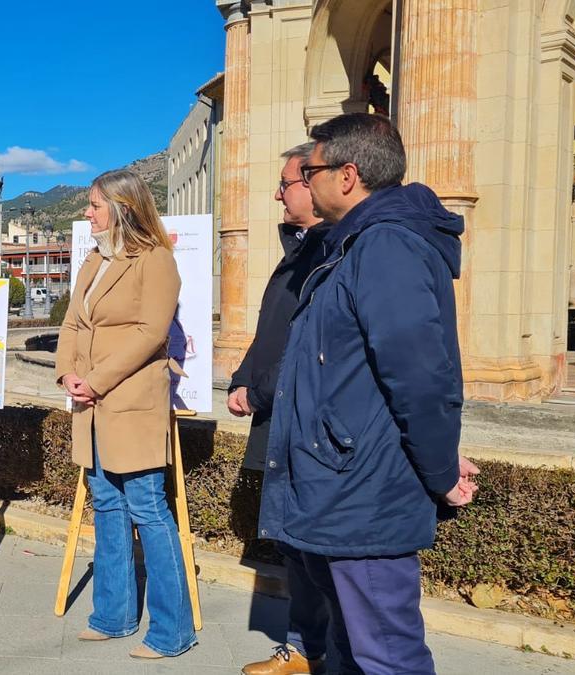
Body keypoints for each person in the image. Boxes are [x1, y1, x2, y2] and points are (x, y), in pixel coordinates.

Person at [260, 112, 480, 675]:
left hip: (364, 498)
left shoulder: (384, 247)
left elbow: (420, 377)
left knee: (386, 656)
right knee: (353, 651)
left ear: (348, 175)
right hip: (341, 490)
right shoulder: (351, 244)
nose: (302, 183)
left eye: (309, 170)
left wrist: (439, 472)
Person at [54, 168, 196, 660]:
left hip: (130, 401)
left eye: (94, 205)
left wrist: (94, 380)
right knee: (108, 508)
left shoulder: (156, 261)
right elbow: (72, 322)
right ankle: (112, 617)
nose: (86, 213)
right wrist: (68, 374)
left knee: (149, 510)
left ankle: (172, 630)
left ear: (123, 208)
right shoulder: (93, 262)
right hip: (90, 407)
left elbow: (151, 333)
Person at [230, 144, 353, 675]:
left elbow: (311, 349)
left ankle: (325, 651)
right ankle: (305, 649)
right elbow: (272, 329)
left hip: (310, 424)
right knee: (297, 547)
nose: (277, 194)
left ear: (318, 183)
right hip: (279, 416)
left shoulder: (335, 253)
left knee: (319, 552)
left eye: (286, 183)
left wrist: (261, 389)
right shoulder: (299, 249)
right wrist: (242, 378)